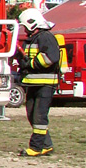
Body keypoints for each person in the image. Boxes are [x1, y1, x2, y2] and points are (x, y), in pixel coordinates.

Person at [17, 8, 61, 157]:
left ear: (32, 23)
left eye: (25, 26)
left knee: (39, 116)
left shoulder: (46, 37)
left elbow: (51, 57)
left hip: (45, 84)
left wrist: (30, 64)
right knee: (32, 114)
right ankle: (46, 145)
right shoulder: (33, 39)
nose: (24, 29)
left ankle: (35, 148)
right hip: (33, 83)